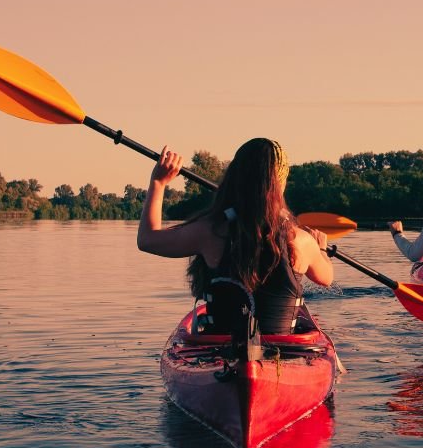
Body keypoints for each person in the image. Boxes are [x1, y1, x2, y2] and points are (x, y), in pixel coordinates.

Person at [137, 137, 334, 335]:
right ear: (281, 183)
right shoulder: (300, 240)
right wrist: (321, 249)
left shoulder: (210, 231)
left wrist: (158, 182)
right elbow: (326, 278)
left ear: (235, 177)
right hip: (284, 353)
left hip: (219, 352)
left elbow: (147, 240)